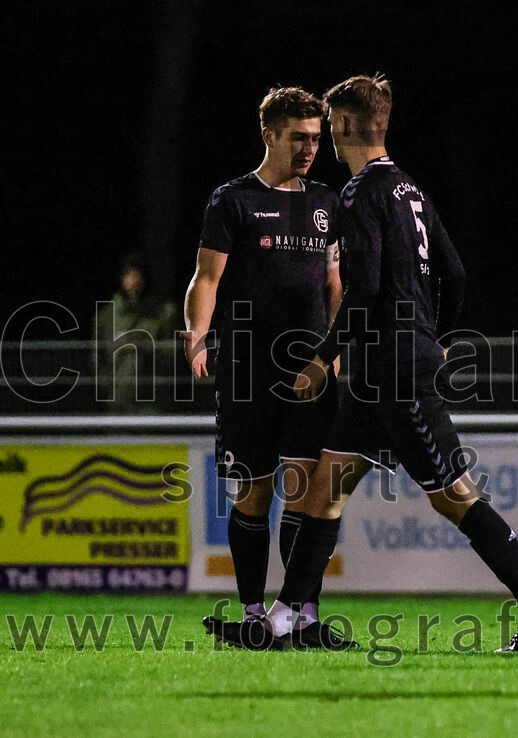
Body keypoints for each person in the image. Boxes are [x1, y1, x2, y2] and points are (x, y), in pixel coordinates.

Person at [208, 74, 518, 653]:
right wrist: (441, 335)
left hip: (396, 373)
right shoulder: (409, 189)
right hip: (382, 371)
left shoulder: (358, 194)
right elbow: (456, 273)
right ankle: (282, 621)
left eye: (329, 128)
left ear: (345, 126)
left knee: (453, 495)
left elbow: (366, 291)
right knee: (324, 491)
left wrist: (324, 357)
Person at [182, 87, 348, 648]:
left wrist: (336, 344)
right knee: (254, 493)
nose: (309, 148)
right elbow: (207, 278)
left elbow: (334, 283)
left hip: (309, 371)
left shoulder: (328, 201)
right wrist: (197, 337)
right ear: (269, 135)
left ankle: (302, 618)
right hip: (248, 367)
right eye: (298, 138)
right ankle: (254, 612)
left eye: (316, 138)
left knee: (306, 492)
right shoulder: (233, 201)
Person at [94, 254, 177, 413]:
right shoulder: (106, 316)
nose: (133, 281)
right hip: (116, 401)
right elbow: (96, 359)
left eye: (138, 275)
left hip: (153, 400)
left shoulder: (164, 313)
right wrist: (109, 390)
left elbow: (172, 354)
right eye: (128, 275)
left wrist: (142, 349)